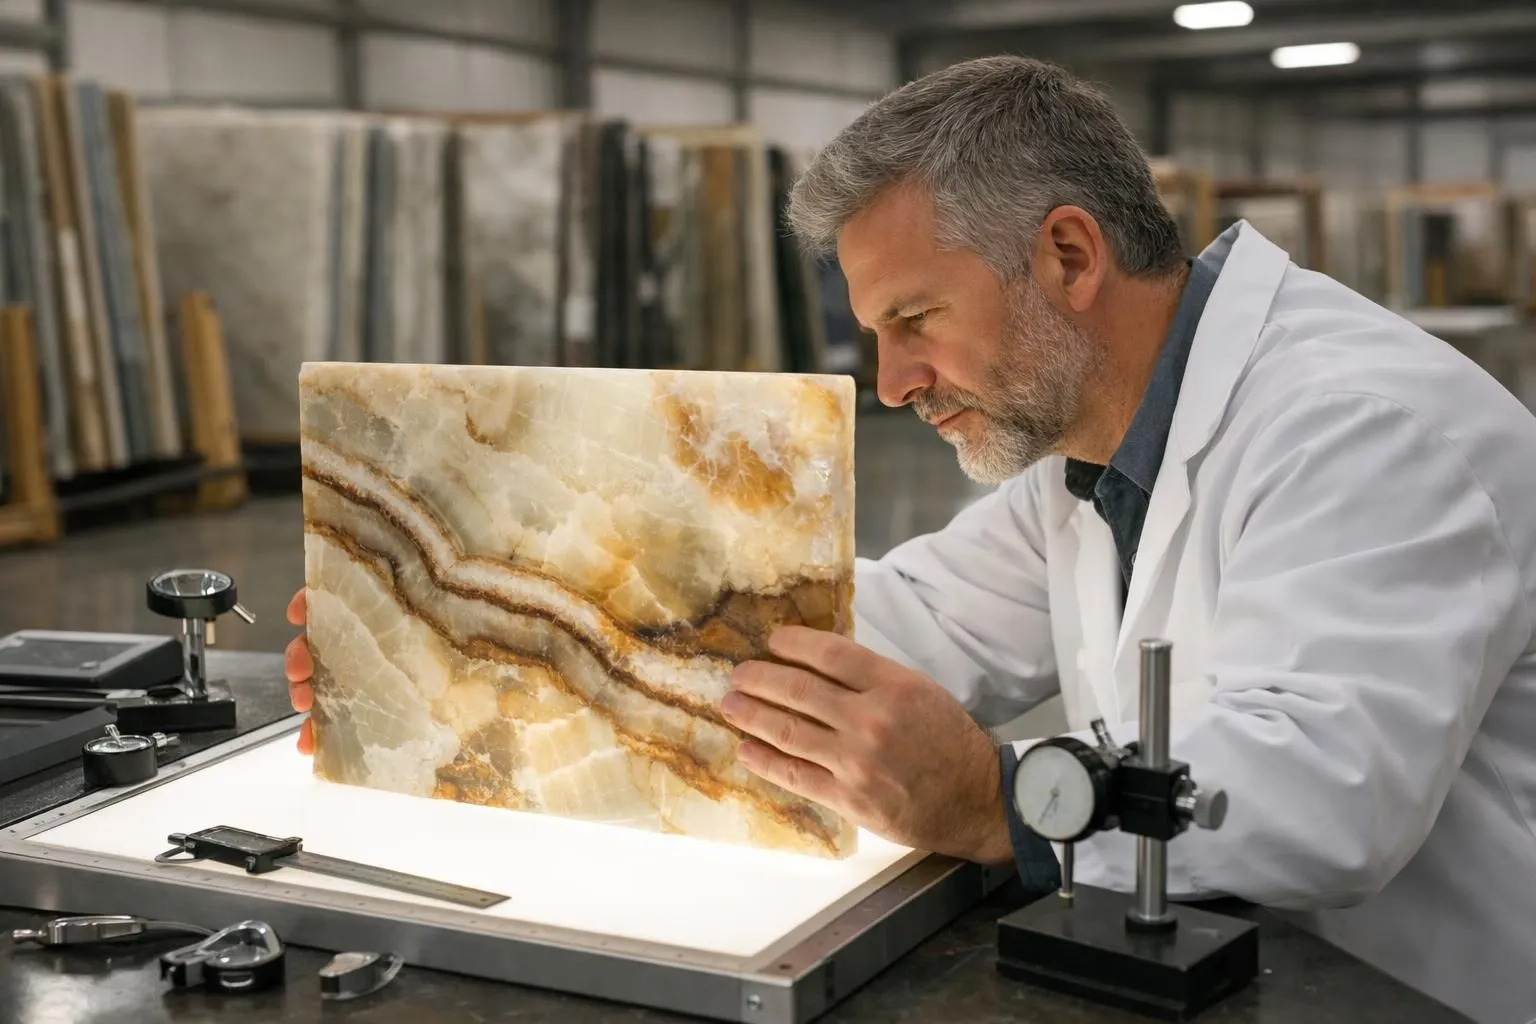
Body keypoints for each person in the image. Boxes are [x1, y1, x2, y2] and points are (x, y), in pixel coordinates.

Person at [285, 56, 1536, 1024]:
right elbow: (899, 618)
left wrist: (1003, 800)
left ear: (1066, 254)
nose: (891, 382)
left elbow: (1334, 789)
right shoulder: (1094, 451)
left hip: (1412, 989)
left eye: (915, 318)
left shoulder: (1362, 427)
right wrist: (483, 621)